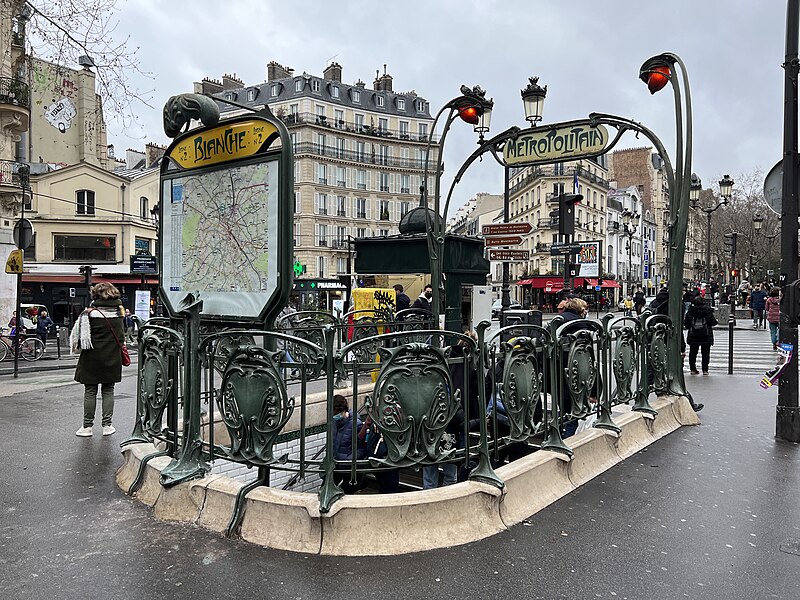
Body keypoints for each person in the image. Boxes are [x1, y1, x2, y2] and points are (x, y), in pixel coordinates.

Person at [70, 282, 125, 437]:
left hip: (91, 357)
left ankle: (87, 427)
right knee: (108, 390)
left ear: (95, 295)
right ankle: (107, 426)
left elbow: (79, 339)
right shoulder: (119, 313)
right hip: (112, 357)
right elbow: (121, 338)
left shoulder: (89, 314)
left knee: (90, 391)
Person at [683, 295, 717, 376]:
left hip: (693, 335)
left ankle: (693, 369)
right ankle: (705, 370)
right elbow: (714, 322)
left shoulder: (691, 311)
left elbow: (686, 324)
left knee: (693, 352)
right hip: (706, 335)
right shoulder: (707, 311)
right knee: (705, 353)